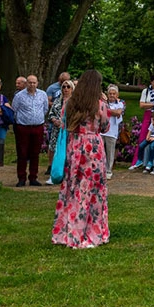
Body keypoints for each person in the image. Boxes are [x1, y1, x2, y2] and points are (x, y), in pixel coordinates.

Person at [52, 69, 109, 249]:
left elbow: (64, 123)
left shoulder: (71, 103)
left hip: (75, 146)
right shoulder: (99, 105)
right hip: (93, 147)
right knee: (94, 190)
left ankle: (68, 232)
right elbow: (105, 127)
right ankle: (92, 232)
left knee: (74, 188)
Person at [11, 75, 50, 187]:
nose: (32, 85)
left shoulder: (42, 94)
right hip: (23, 127)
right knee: (22, 153)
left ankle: (33, 177)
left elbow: (45, 109)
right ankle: (21, 177)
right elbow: (14, 110)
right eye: (30, 82)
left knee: (35, 153)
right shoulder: (19, 96)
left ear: (37, 83)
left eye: (34, 83)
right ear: (26, 83)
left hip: (38, 126)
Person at [131, 76, 154, 169]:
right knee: (143, 136)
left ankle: (152, 162)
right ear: (151, 82)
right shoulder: (145, 91)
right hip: (148, 115)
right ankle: (138, 160)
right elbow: (141, 105)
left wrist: (150, 105)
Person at [44, 78, 73, 183]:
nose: (65, 89)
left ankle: (67, 171)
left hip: (68, 130)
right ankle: (53, 170)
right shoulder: (57, 100)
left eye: (68, 87)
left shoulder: (74, 102)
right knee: (53, 148)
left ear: (72, 89)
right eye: (63, 87)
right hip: (56, 129)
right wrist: (54, 120)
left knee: (66, 150)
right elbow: (51, 113)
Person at [101, 85, 124, 179]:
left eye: (114, 94)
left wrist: (107, 110)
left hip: (112, 132)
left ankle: (108, 170)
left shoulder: (120, 103)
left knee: (110, 152)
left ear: (117, 94)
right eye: (110, 93)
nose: (111, 95)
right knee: (100, 151)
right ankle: (100, 169)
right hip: (101, 131)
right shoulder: (103, 102)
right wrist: (111, 111)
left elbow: (118, 112)